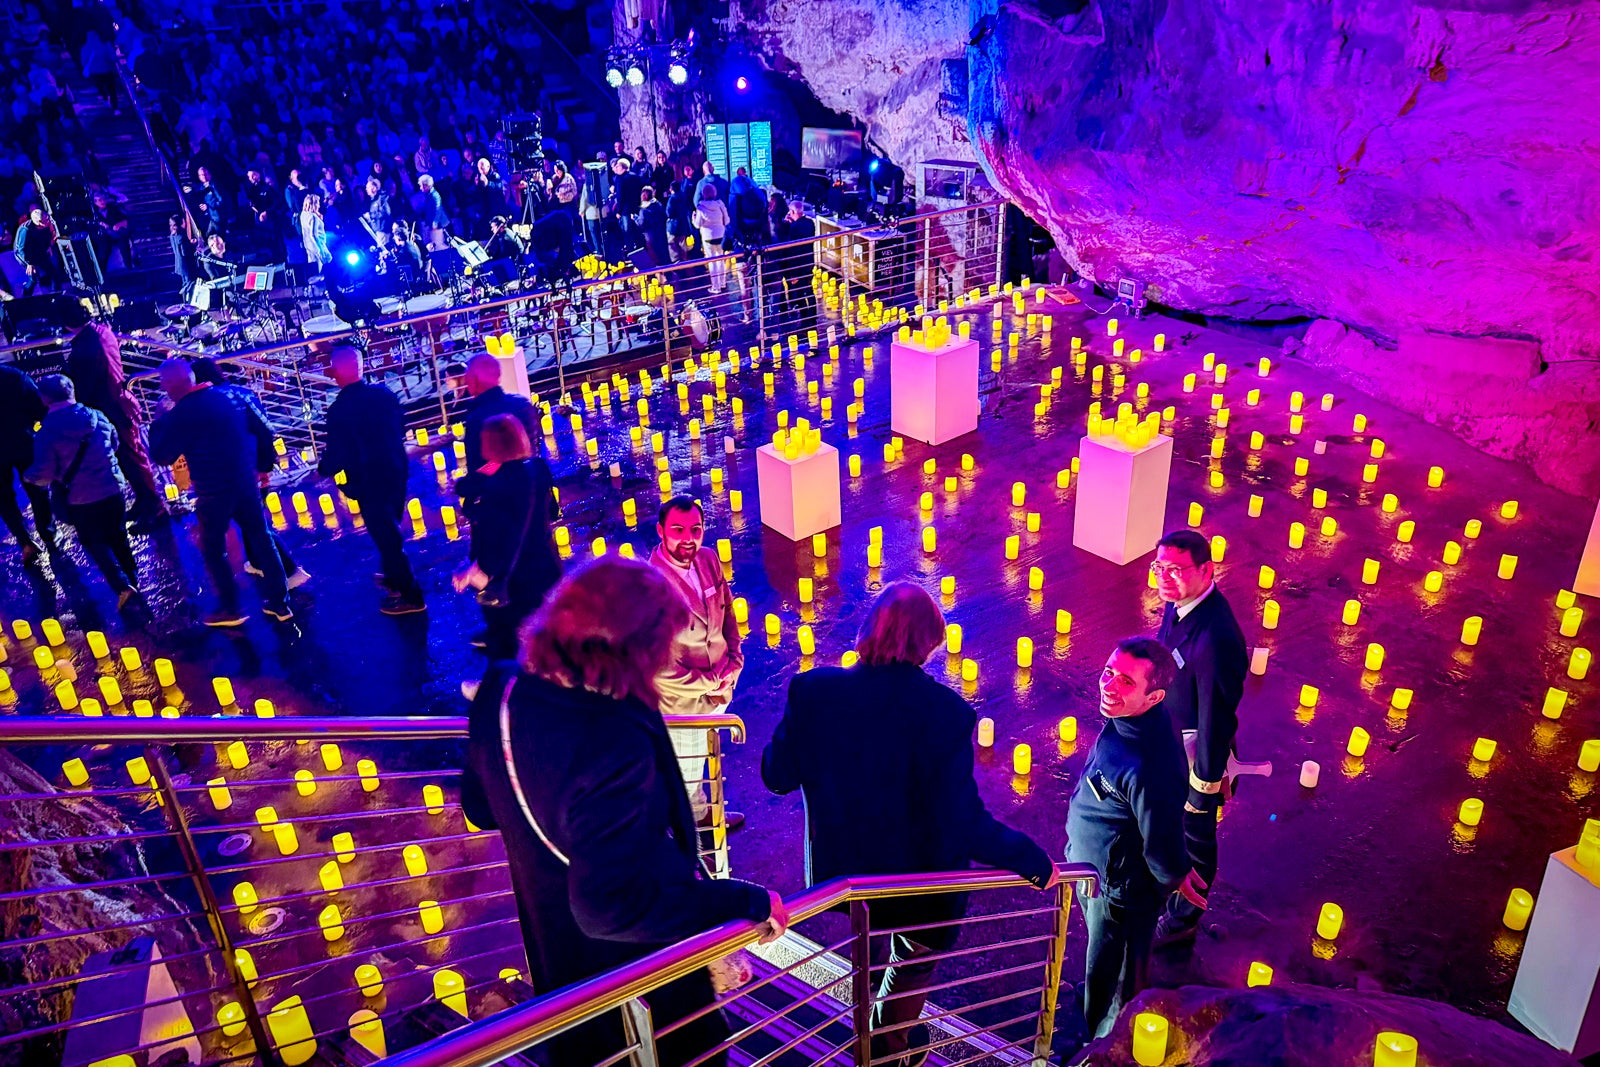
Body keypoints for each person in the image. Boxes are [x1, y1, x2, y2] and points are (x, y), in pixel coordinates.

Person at [460, 556, 787, 1067]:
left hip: (557, 954)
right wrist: (738, 901)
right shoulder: (610, 739)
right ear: (635, 648)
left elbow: (479, 808)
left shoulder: (502, 689)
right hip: (638, 968)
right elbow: (606, 908)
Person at [763, 582, 1057, 1066]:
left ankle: (876, 1037)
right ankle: (887, 1046)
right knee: (911, 962)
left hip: (845, 874)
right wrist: (1029, 858)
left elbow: (775, 775)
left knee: (867, 940)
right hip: (920, 882)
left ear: (868, 627)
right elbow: (963, 819)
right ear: (927, 645)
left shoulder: (813, 691)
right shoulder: (945, 713)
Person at [1066, 638, 1189, 1039]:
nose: (1109, 685)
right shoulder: (1126, 721)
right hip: (1095, 872)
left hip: (1118, 891)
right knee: (1101, 957)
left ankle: (1104, 1040)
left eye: (1125, 681)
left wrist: (1175, 874)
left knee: (1115, 969)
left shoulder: (1148, 765)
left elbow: (1163, 843)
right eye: (1108, 671)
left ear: (1154, 696)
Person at [1148, 529, 1250, 946]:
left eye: (1176, 569)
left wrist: (1203, 787)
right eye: (1159, 567)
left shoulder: (1217, 638)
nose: (1164, 578)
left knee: (1195, 836)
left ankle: (1186, 915)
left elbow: (1215, 718)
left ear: (1207, 570)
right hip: (1170, 742)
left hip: (1194, 756)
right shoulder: (1182, 605)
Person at [148, 358, 292, 626]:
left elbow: (162, 455)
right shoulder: (232, 396)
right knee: (262, 538)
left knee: (213, 547)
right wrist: (260, 466)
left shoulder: (181, 414)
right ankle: (280, 603)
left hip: (213, 490)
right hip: (244, 481)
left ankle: (230, 608)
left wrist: (159, 421)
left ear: (169, 385)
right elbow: (265, 429)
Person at [649, 497, 746, 831]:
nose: (688, 537)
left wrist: (735, 662)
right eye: (677, 529)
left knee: (708, 760)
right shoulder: (650, 586)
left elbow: (728, 612)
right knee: (686, 774)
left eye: (696, 529)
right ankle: (689, 835)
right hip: (682, 704)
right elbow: (659, 669)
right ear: (661, 530)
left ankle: (703, 813)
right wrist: (713, 680)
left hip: (720, 691)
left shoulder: (708, 559)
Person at [318, 347, 425, 615]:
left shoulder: (340, 410)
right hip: (396, 468)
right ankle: (392, 577)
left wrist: (325, 469)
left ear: (335, 372)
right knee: (390, 526)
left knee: (386, 536)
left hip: (369, 479)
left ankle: (411, 595)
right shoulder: (384, 395)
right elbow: (401, 425)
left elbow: (337, 452)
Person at [190, 358, 310, 592]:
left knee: (256, 525)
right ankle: (258, 563)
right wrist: (265, 465)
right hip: (255, 465)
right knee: (252, 521)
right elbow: (265, 431)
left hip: (239, 470)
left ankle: (290, 571)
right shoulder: (243, 394)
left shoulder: (211, 403)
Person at [26, 375, 142, 607]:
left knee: (94, 541)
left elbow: (44, 473)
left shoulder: (47, 432)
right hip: (113, 488)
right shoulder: (97, 416)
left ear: (45, 398)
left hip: (81, 498)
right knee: (119, 534)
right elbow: (115, 443)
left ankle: (122, 586)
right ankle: (132, 577)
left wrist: (28, 476)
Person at [454, 414, 561, 664]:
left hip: (515, 577)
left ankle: (505, 690)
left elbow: (494, 533)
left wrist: (476, 571)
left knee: (510, 641)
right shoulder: (538, 468)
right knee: (542, 629)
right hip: (544, 565)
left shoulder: (496, 485)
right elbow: (552, 510)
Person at [66, 321, 165, 523]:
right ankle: (145, 501)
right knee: (128, 459)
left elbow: (84, 385)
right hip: (118, 404)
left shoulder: (85, 345)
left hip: (112, 408)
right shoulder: (101, 330)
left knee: (132, 458)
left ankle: (155, 507)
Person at [0, 362, 54, 565]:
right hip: (23, 442)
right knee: (38, 489)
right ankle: (48, 534)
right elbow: (39, 408)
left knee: (4, 499)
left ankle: (26, 542)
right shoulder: (14, 377)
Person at [460, 351, 539, 473]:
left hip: (499, 488)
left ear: (473, 381)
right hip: (531, 478)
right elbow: (532, 451)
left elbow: (480, 470)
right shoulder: (522, 404)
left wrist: (463, 485)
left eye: (467, 377)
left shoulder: (476, 419)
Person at [691, 186, 730, 294]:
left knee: (712, 261)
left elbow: (698, 225)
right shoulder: (720, 204)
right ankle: (723, 283)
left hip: (708, 237)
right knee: (721, 259)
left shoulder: (700, 207)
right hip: (721, 235)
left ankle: (715, 286)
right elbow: (727, 220)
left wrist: (693, 218)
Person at [13, 206, 60, 295]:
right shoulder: (25, 230)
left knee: (52, 271)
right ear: (39, 222)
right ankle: (26, 298)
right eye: (46, 220)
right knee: (33, 278)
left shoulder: (45, 226)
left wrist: (49, 246)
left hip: (39, 251)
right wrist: (29, 263)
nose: (48, 221)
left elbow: (47, 236)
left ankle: (55, 293)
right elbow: (20, 250)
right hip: (26, 256)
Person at [634, 186, 670, 268]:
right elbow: (665, 216)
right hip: (661, 234)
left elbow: (642, 223)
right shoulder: (659, 205)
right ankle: (669, 273)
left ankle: (661, 277)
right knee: (665, 256)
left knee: (656, 258)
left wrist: (635, 218)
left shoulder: (643, 210)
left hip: (651, 237)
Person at [301, 193, 330, 268]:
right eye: (318, 203)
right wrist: (320, 250)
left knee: (315, 270)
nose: (319, 206)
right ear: (314, 204)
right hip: (318, 246)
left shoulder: (303, 215)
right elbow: (313, 234)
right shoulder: (313, 217)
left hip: (309, 247)